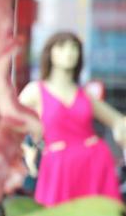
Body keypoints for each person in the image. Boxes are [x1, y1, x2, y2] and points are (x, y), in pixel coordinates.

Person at [18, 32, 126, 206]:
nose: (69, 52)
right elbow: (10, 125)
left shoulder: (85, 95)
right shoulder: (35, 90)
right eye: (62, 47)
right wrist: (26, 149)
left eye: (74, 47)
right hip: (58, 166)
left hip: (94, 162)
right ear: (50, 53)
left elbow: (118, 121)